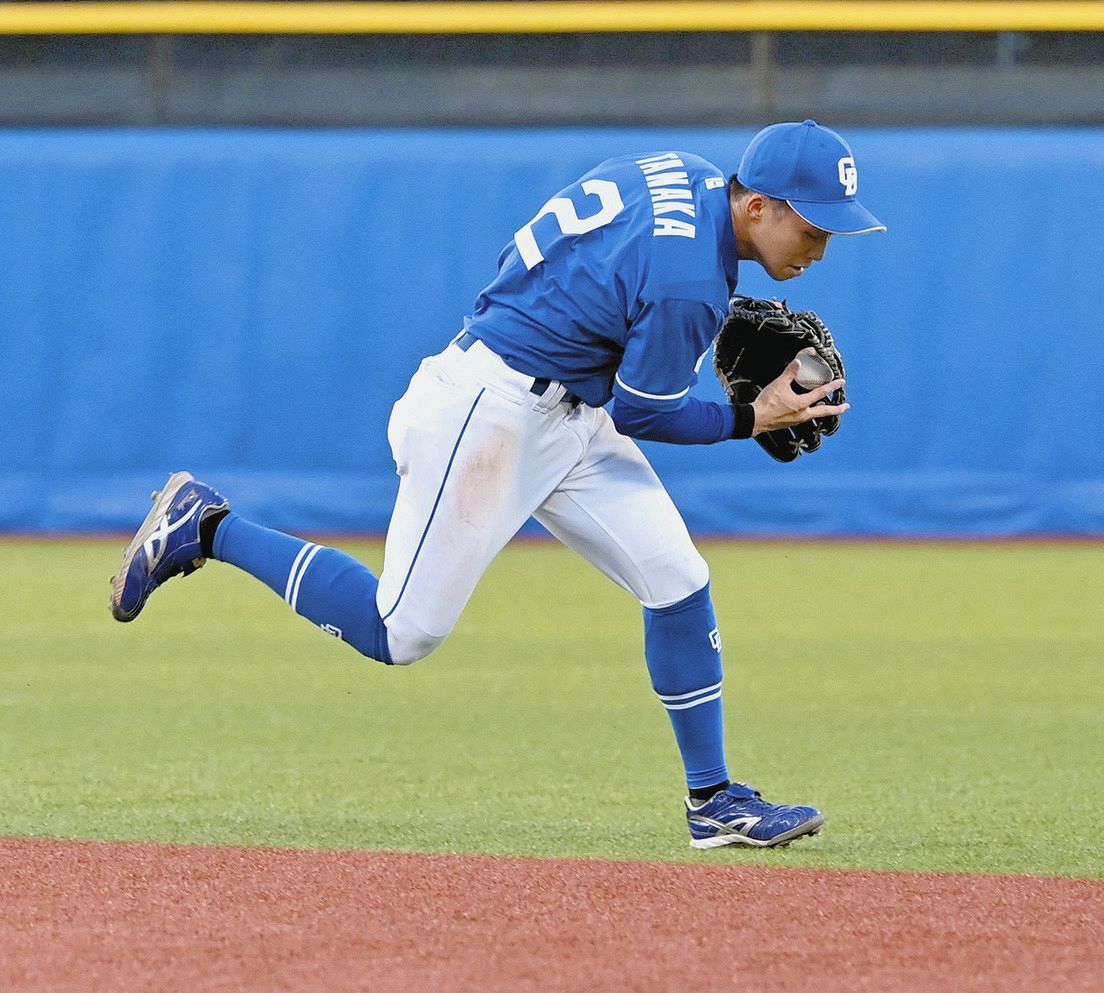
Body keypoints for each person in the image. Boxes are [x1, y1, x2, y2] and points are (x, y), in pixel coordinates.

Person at [110, 120, 885, 849]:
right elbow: (647, 414)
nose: (821, 245)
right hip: (490, 414)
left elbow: (605, 273)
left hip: (564, 401)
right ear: (756, 205)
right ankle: (206, 525)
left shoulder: (683, 172)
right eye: (813, 227)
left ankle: (713, 801)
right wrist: (754, 416)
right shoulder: (690, 282)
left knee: (677, 579)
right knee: (399, 632)